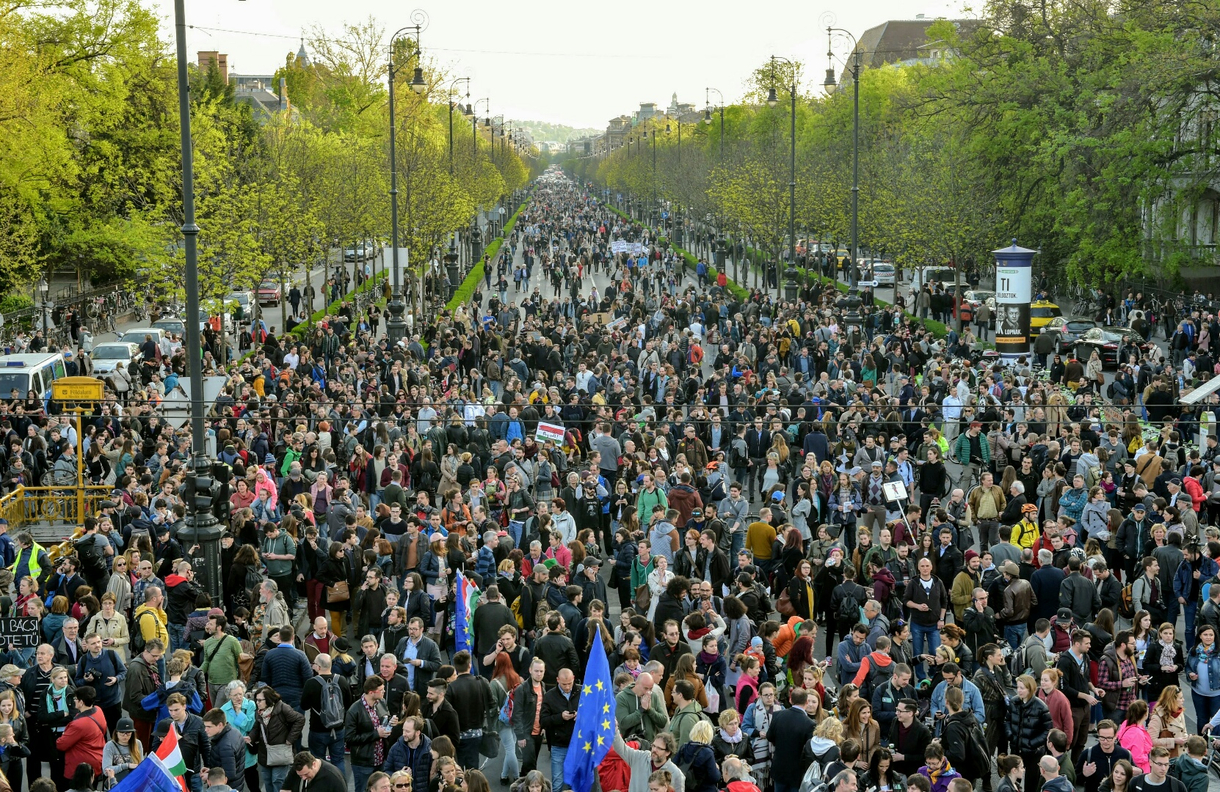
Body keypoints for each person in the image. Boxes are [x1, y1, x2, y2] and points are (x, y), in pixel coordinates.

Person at [767, 687, 816, 792]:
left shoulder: (777, 715)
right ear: (806, 702)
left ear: (790, 700)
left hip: (779, 769)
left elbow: (769, 736)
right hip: (796, 773)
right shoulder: (809, 724)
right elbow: (808, 750)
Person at [1007, 674, 1053, 776]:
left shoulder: (1041, 707)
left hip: (1034, 752)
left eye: (1022, 688)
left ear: (1030, 689)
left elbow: (1047, 730)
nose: (1018, 690)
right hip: (1016, 748)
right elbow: (1007, 720)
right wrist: (1010, 735)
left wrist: (1032, 743)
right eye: (1018, 687)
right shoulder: (1014, 702)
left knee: (1031, 781)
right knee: (1014, 778)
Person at [1075, 720, 1132, 792]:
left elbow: (1133, 778)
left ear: (1115, 736)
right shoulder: (1088, 754)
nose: (1105, 741)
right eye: (1102, 737)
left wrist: (1140, 771)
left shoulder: (1125, 754)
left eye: (1109, 738)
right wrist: (1084, 775)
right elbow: (1075, 780)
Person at [202, 708, 247, 792]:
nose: (205, 730)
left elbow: (229, 774)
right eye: (205, 726)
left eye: (209, 726)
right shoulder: (234, 732)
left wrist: (209, 776)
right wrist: (212, 771)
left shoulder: (225, 746)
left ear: (220, 725)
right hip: (236, 785)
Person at [282, 751, 348, 792]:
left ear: (314, 764)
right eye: (300, 776)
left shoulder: (334, 777)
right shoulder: (298, 768)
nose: (303, 778)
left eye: (306, 774)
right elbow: (285, 789)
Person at [102, 717, 141, 786]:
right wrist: (126, 766)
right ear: (116, 732)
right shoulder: (110, 745)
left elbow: (141, 765)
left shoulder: (137, 743)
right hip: (116, 783)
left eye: (128, 733)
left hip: (134, 782)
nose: (125, 736)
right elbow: (106, 770)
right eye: (122, 733)